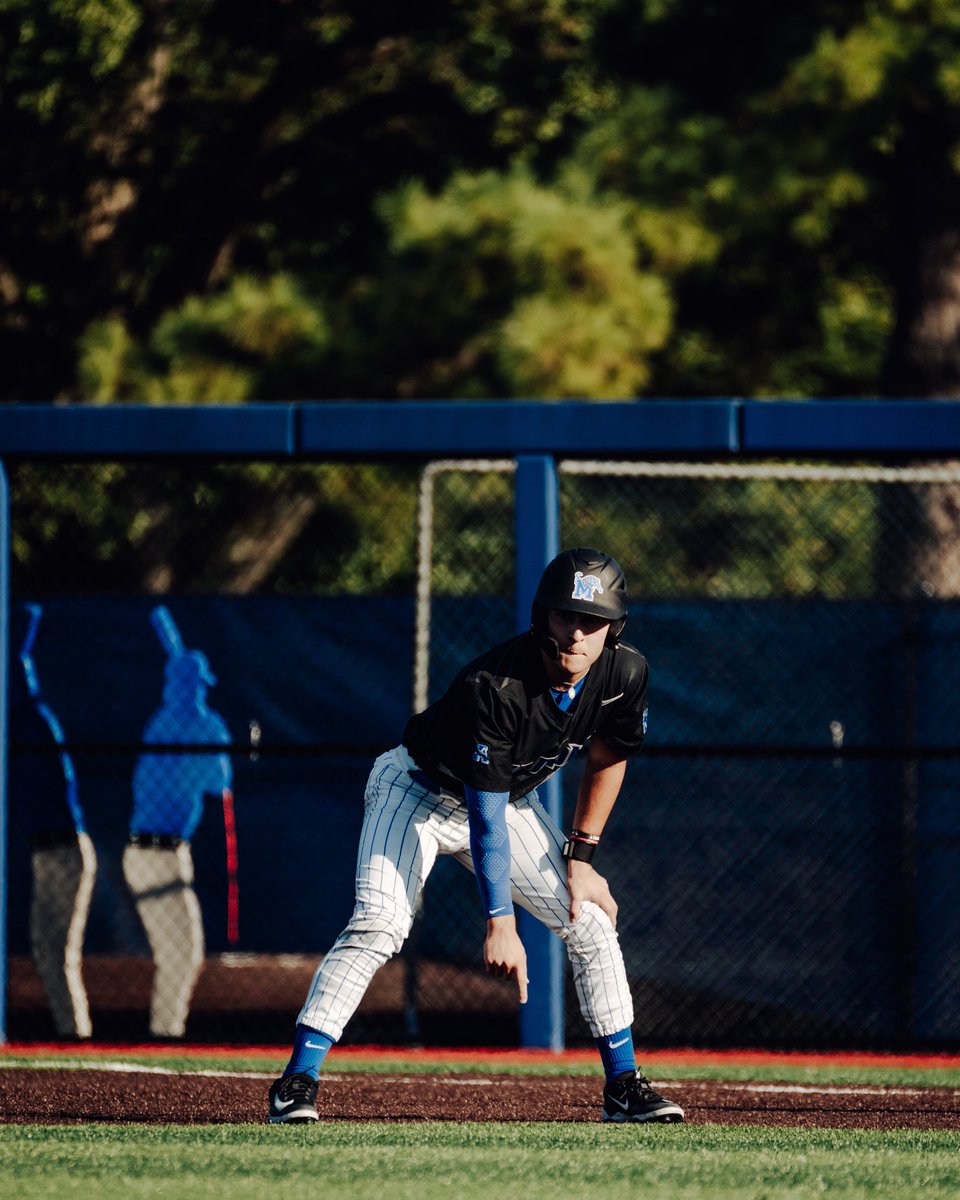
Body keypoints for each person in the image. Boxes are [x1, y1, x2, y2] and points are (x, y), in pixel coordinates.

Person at [268, 547, 684, 1125]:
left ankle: (623, 1084)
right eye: (566, 615)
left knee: (588, 919)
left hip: (503, 801)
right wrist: (500, 923)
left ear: (614, 628)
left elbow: (612, 753)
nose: (577, 633)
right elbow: (482, 818)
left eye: (592, 621)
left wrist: (581, 856)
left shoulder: (624, 673)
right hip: (415, 792)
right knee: (381, 923)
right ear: (543, 617)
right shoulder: (497, 686)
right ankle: (297, 1079)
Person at [123, 606, 232, 1039]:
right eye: (194, 685)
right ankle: (164, 1035)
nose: (199, 693)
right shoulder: (179, 724)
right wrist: (211, 731)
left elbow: (216, 780)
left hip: (161, 851)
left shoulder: (171, 721)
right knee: (184, 951)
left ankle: (164, 1031)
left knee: (179, 951)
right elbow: (217, 780)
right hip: (156, 854)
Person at [11, 603, 97, 1040]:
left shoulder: (31, 718)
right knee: (44, 948)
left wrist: (28, 622)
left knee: (58, 949)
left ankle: (76, 1037)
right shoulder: (22, 719)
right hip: (45, 850)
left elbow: (19, 671)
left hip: (65, 848)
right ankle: (69, 1032)